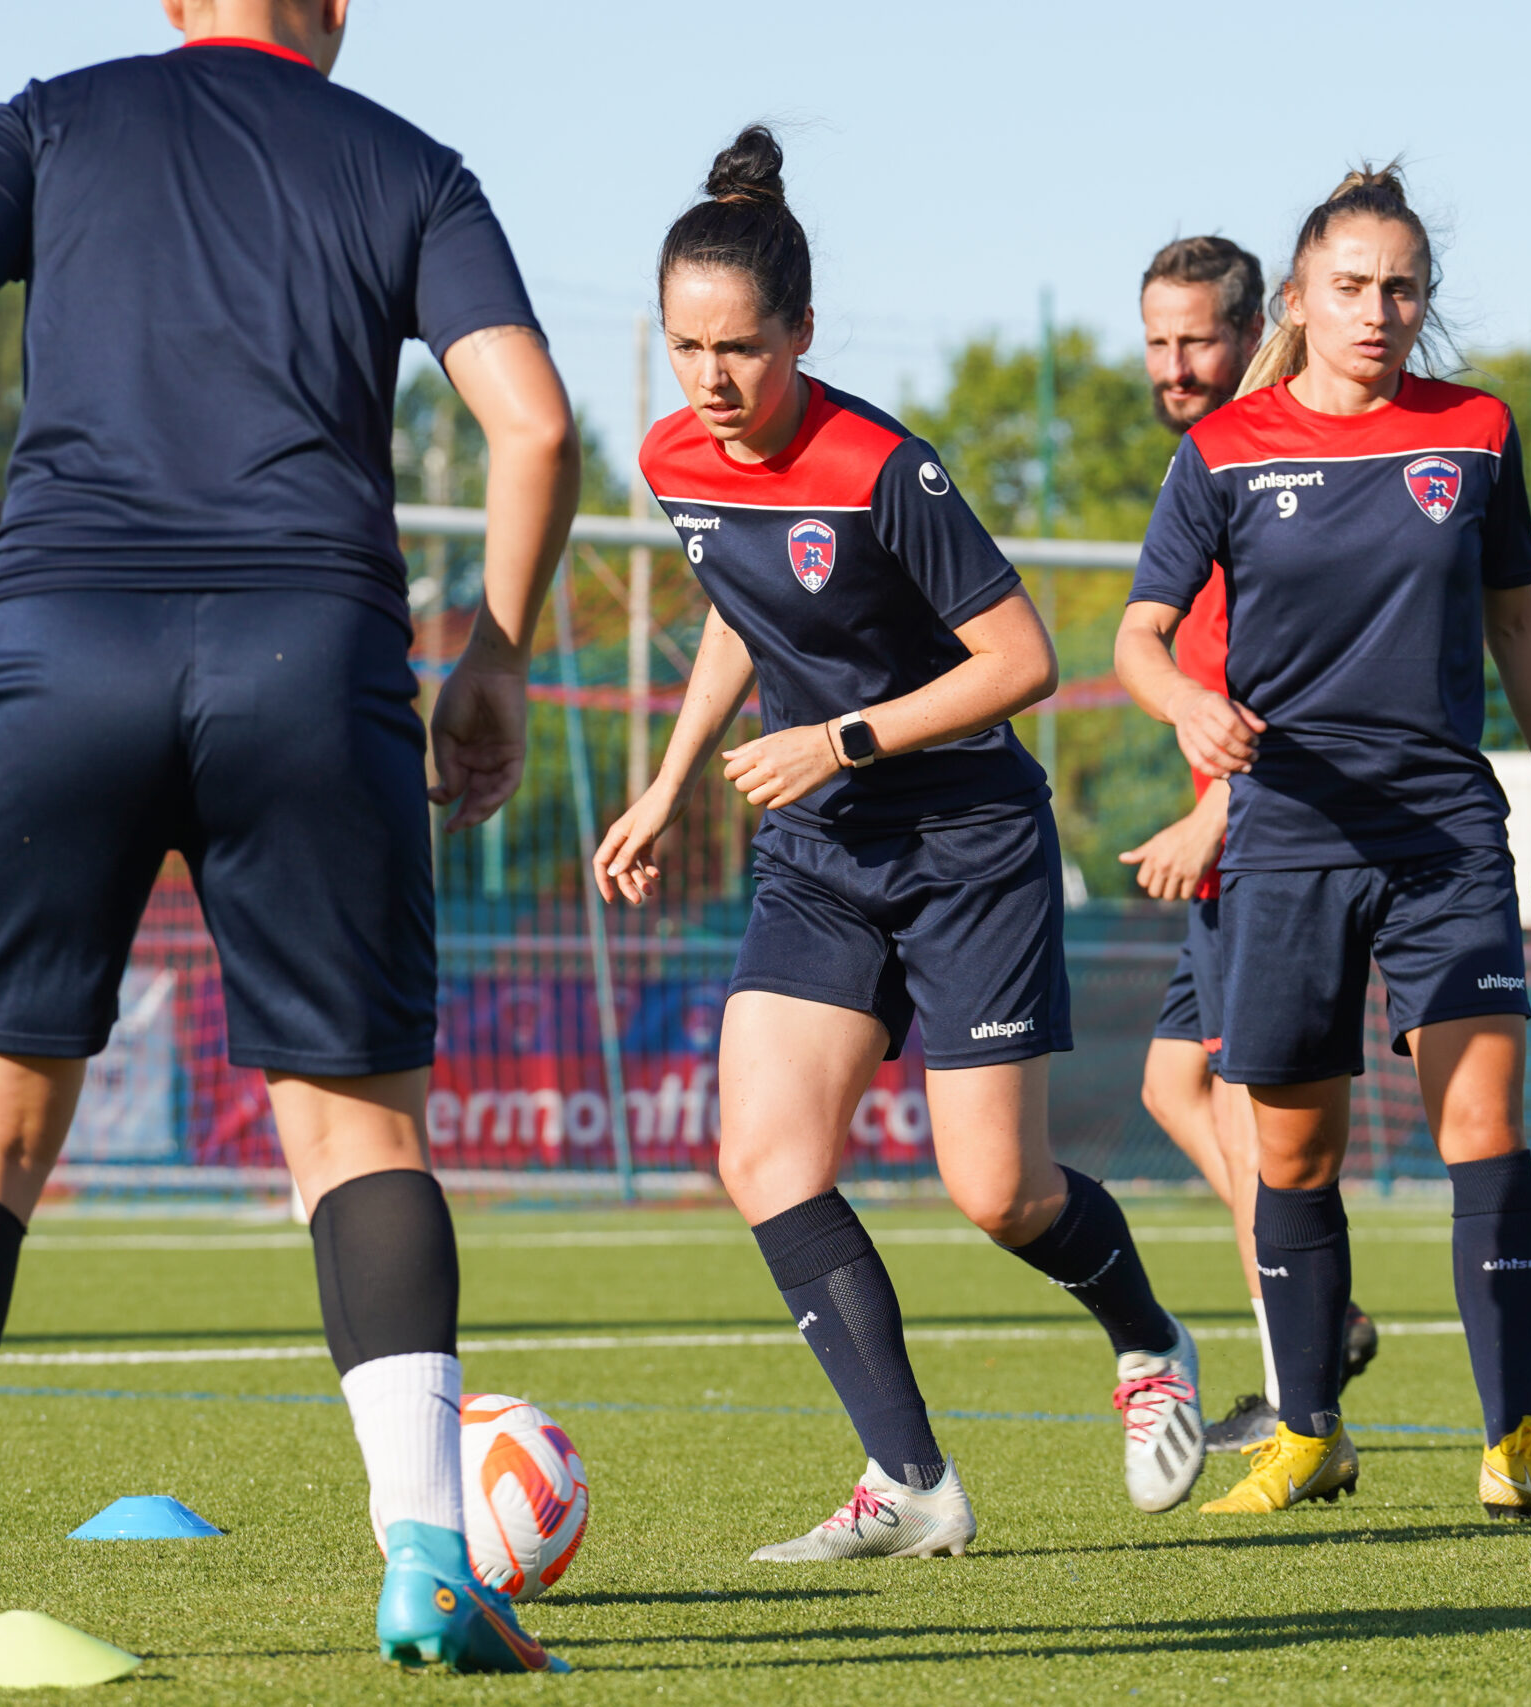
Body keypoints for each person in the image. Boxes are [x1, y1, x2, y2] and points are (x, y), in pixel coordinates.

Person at [0, 0, 579, 1676]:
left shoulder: (56, 119)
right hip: (311, 655)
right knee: (356, 1135)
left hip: (58, 643)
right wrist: (491, 655)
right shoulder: (410, 164)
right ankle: (428, 1564)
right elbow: (540, 427)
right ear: (338, 8)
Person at [595, 126, 1208, 1559]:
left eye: (740, 346)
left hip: (963, 839)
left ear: (804, 331)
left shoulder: (880, 466)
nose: (711, 378)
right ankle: (912, 1479)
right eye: (685, 345)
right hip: (820, 850)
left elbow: (1024, 658)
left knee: (997, 1190)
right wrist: (669, 774)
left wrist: (846, 737)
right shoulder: (674, 454)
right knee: (764, 1154)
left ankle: (1148, 1336)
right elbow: (744, 613)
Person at [1115, 164, 1531, 1520]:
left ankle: (1516, 1440)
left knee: (1486, 1123)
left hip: (1445, 834)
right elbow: (1140, 634)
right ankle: (1309, 1431)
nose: (1378, 310)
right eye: (1351, 286)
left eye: (1403, 288)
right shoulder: (1225, 448)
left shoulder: (1476, 430)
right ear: (1300, 295)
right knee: (1292, 1157)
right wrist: (1187, 704)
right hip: (1285, 838)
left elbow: (1517, 617)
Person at [1119, 236, 1378, 1455]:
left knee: (1239, 1113)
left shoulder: (1272, 471)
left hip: (1260, 841)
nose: (1174, 365)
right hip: (1233, 840)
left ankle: (1295, 1384)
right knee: (1171, 1084)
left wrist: (1212, 813)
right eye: (1157, 342)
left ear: (1250, 334)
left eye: (1196, 342)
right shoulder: (1210, 466)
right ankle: (1329, 1314)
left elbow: (1295, 685)